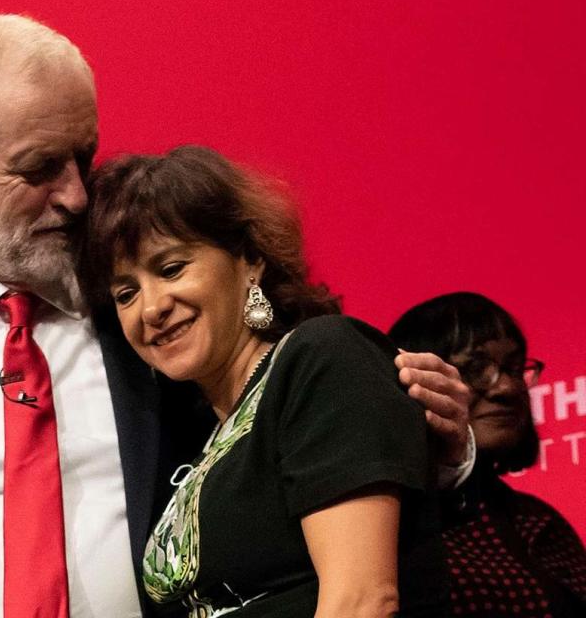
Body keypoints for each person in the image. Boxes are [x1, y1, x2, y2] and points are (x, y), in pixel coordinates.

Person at [0, 15, 471, 617]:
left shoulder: (156, 325)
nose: (78, 196)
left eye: (84, 156)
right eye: (40, 167)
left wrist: (442, 447)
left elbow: (303, 441)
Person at [78, 145, 453, 617]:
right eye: (126, 293)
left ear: (250, 258)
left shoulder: (321, 358)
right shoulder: (191, 436)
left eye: (171, 268)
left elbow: (361, 600)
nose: (151, 308)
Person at [389, 292, 586, 617]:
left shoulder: (539, 521)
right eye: (475, 368)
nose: (506, 388)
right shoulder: (387, 517)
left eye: (514, 367)